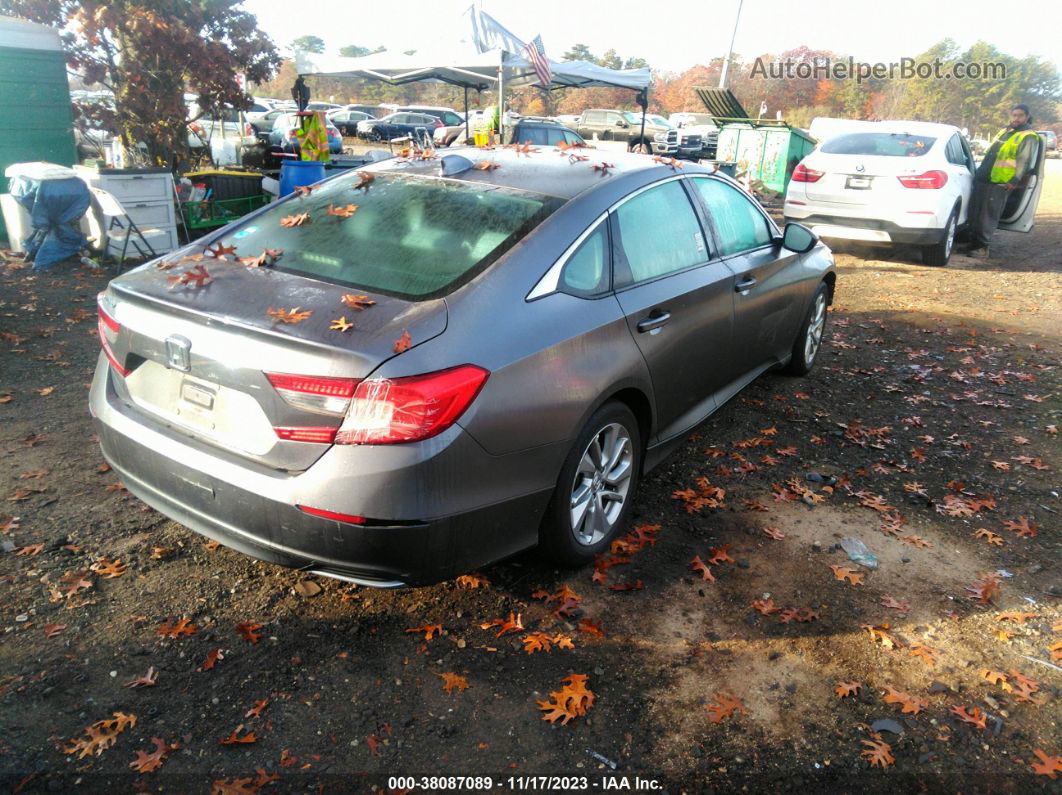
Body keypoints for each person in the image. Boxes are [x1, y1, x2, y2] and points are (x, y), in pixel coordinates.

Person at [964, 104, 1039, 257]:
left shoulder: (1028, 136)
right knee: (976, 213)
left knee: (988, 216)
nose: (1016, 118)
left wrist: (1014, 180)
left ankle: (982, 248)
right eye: (1014, 115)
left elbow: (1023, 161)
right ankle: (972, 244)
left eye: (1020, 115)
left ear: (1027, 117)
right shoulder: (1005, 132)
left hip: (1000, 182)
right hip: (984, 178)